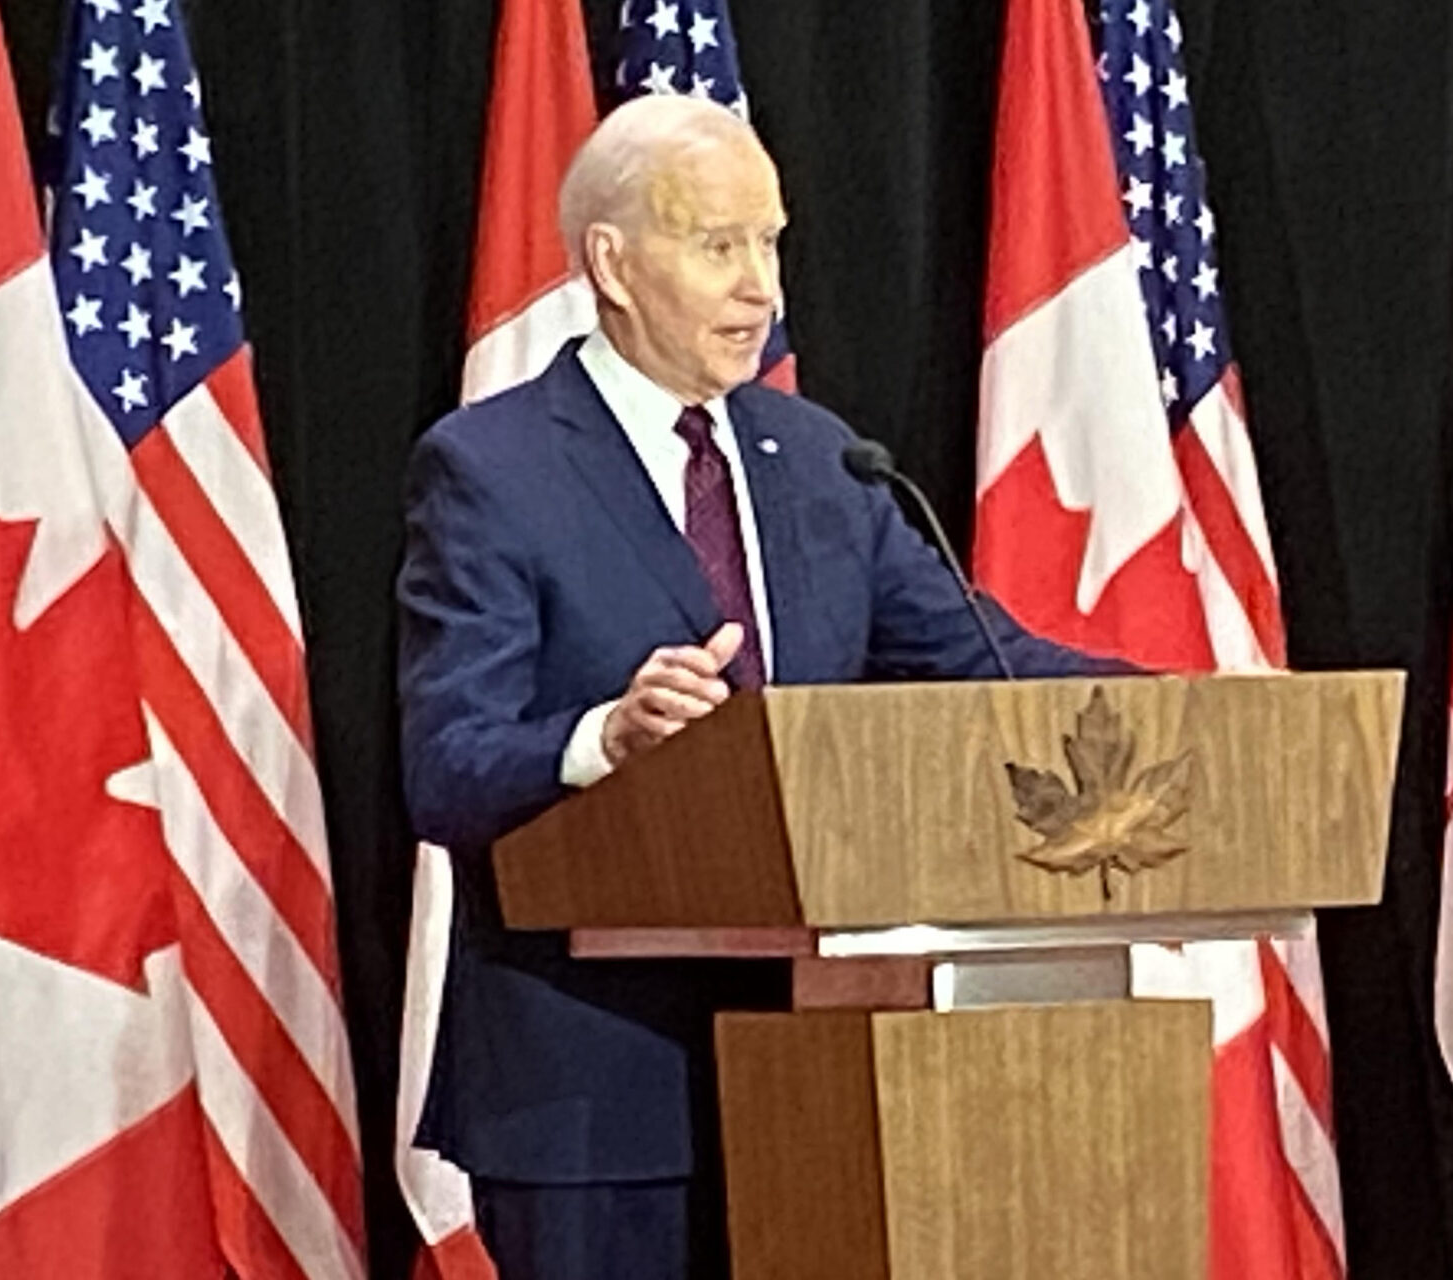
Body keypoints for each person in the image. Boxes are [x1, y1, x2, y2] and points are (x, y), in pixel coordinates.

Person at [396, 93, 1114, 1280]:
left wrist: (1195, 704)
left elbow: (985, 663)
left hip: (831, 1075)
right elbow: (446, 763)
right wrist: (601, 738)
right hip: (595, 1094)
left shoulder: (819, 459)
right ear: (613, 263)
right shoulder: (490, 468)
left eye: (769, 242)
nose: (760, 288)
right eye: (718, 244)